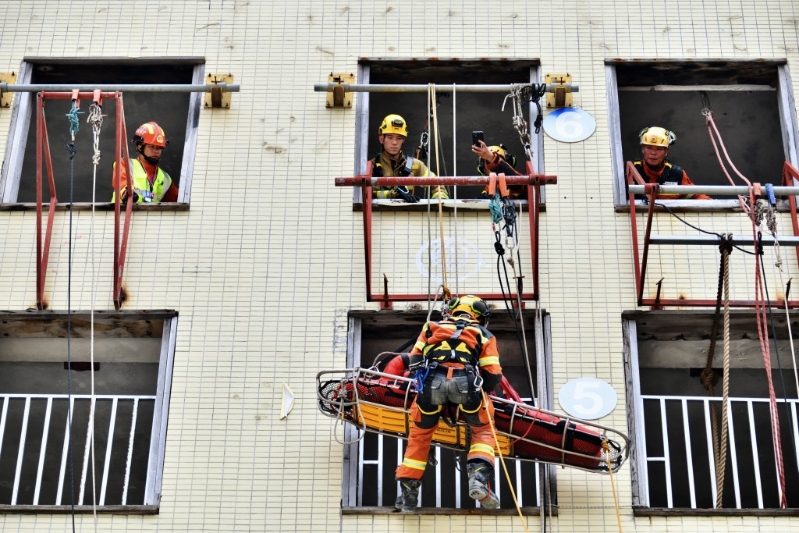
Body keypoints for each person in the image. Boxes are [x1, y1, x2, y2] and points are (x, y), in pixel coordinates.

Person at [395, 295, 503, 512]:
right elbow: (493, 374)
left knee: (419, 436)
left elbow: (415, 359)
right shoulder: (484, 334)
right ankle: (478, 480)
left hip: (430, 386)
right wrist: (481, 392)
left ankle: (409, 492)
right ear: (478, 316)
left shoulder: (430, 327)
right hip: (467, 385)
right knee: (483, 431)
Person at [369, 114, 448, 202]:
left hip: (407, 214)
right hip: (380, 214)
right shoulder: (370, 167)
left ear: (403, 140)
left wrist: (439, 202)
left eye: (399, 138)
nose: (394, 142)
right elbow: (362, 195)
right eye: (390, 137)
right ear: (381, 139)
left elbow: (438, 185)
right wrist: (394, 194)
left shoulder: (415, 165)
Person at [633, 126, 711, 200]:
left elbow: (697, 196)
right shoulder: (630, 172)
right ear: (643, 149)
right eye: (649, 148)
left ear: (666, 151)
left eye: (659, 149)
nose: (653, 153)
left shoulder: (677, 174)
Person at [112, 121, 179, 204]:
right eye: (151, 147)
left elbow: (179, 202)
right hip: (123, 216)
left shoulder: (165, 178)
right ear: (140, 147)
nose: (156, 151)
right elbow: (122, 186)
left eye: (159, 148)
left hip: (150, 216)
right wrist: (127, 193)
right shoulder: (125, 164)